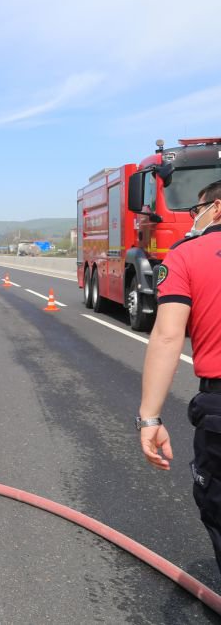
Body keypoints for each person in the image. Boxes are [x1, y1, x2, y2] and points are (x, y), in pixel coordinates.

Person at [138, 179, 221, 573]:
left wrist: (150, 418)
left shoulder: (186, 255)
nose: (193, 219)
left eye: (196, 210)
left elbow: (169, 335)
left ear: (216, 208)